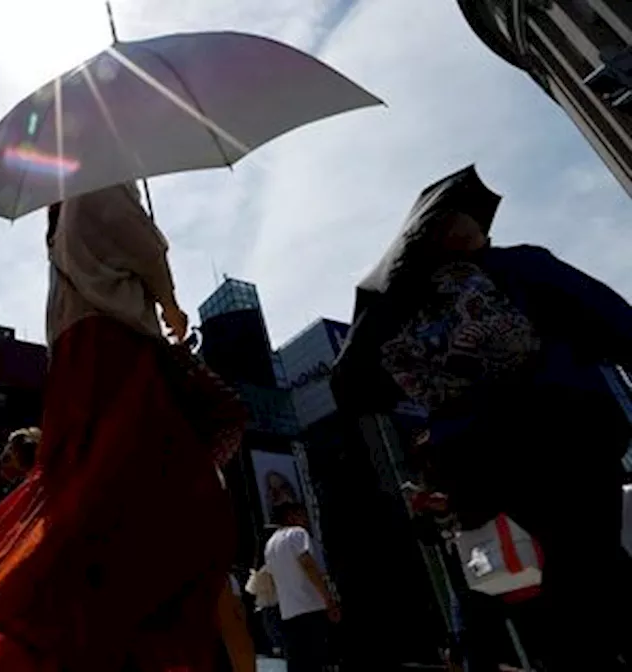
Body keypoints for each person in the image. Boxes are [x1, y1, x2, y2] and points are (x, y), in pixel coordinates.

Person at [0, 183, 239, 670]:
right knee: (152, 507)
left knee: (94, 504)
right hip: (113, 355)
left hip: (80, 360)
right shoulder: (100, 178)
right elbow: (143, 247)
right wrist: (169, 302)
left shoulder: (63, 210)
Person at [333, 165, 632, 669]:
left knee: (549, 570)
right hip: (565, 428)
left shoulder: (405, 311)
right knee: (588, 561)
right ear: (471, 231)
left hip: (475, 461)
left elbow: (361, 387)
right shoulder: (519, 265)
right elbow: (613, 317)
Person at [264, 502, 338, 672]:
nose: (305, 519)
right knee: (317, 660)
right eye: (301, 514)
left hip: (288, 610)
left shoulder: (270, 544)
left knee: (298, 661)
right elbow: (308, 565)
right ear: (291, 516)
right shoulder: (297, 534)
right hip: (310, 605)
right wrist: (328, 599)